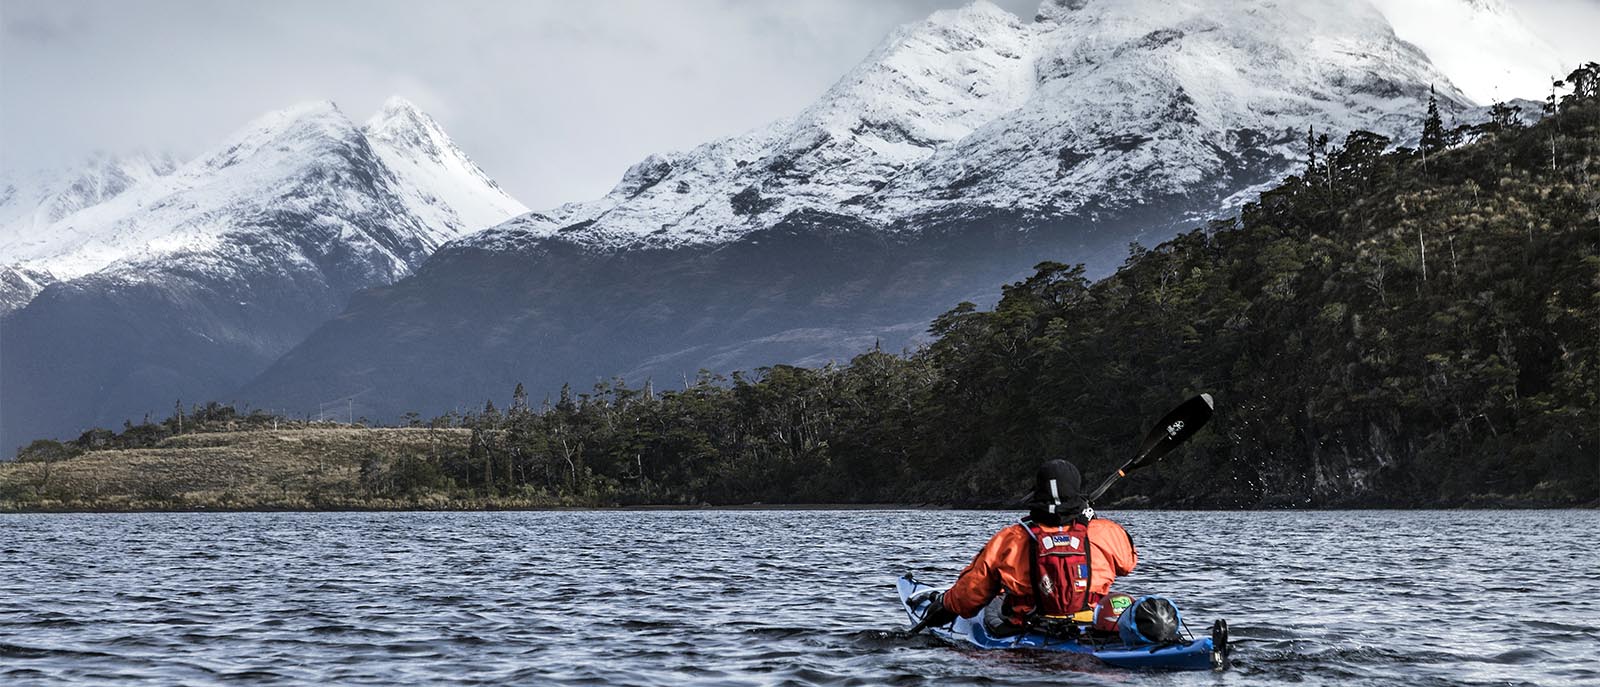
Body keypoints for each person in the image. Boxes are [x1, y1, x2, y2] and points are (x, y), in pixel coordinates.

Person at [916, 459, 1138, 635]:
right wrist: (1090, 519)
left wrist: (945, 604)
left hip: (1032, 629)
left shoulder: (1011, 539)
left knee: (994, 600)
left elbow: (968, 597)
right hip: (1091, 626)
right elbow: (1128, 564)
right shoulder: (1107, 532)